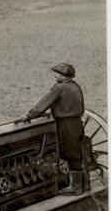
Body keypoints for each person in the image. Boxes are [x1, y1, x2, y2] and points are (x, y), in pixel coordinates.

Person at [18, 63, 87, 195]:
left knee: (70, 153)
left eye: (57, 73)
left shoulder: (59, 87)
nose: (55, 76)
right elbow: (70, 104)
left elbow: (44, 103)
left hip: (66, 124)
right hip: (77, 123)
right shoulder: (75, 86)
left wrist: (29, 116)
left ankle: (76, 187)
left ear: (64, 75)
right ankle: (80, 185)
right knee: (76, 152)